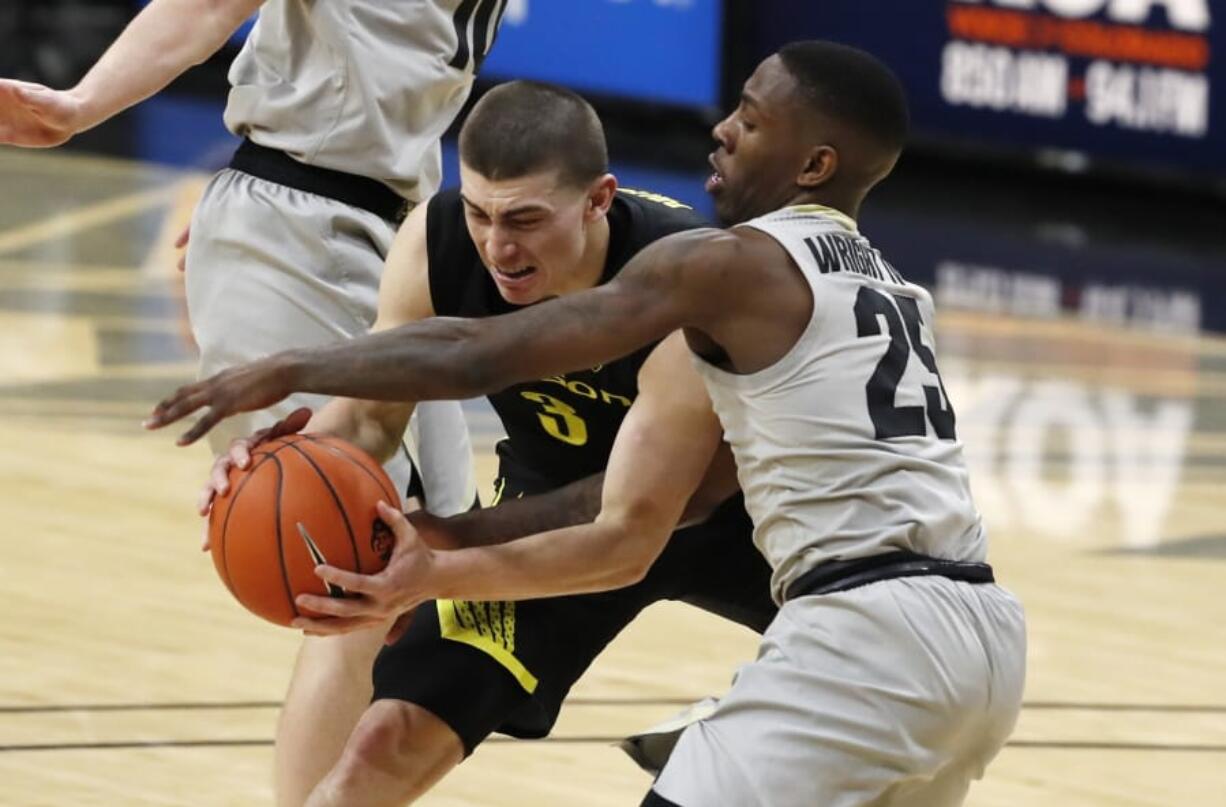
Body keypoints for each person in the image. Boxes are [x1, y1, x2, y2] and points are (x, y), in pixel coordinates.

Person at [148, 41, 1028, 806]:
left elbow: (517, 400)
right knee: (388, 739)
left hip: (781, 569)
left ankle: (772, 720)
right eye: (483, 215)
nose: (721, 129)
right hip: (974, 626)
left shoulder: (714, 268)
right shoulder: (886, 279)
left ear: (814, 164)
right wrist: (294, 466)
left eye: (751, 121)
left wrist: (292, 369)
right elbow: (384, 420)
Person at [193, 80, 776, 806]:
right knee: (384, 742)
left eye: (526, 219)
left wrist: (441, 557)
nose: (499, 246)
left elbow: (636, 522)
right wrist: (270, 466)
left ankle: (748, 737)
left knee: (894, 676)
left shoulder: (680, 274)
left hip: (738, 521)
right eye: (479, 212)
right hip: (545, 507)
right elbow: (369, 421)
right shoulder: (435, 244)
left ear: (599, 198)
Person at [1, 1, 497, 802]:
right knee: (358, 584)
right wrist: (83, 104)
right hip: (298, 227)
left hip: (387, 236)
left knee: (435, 578)